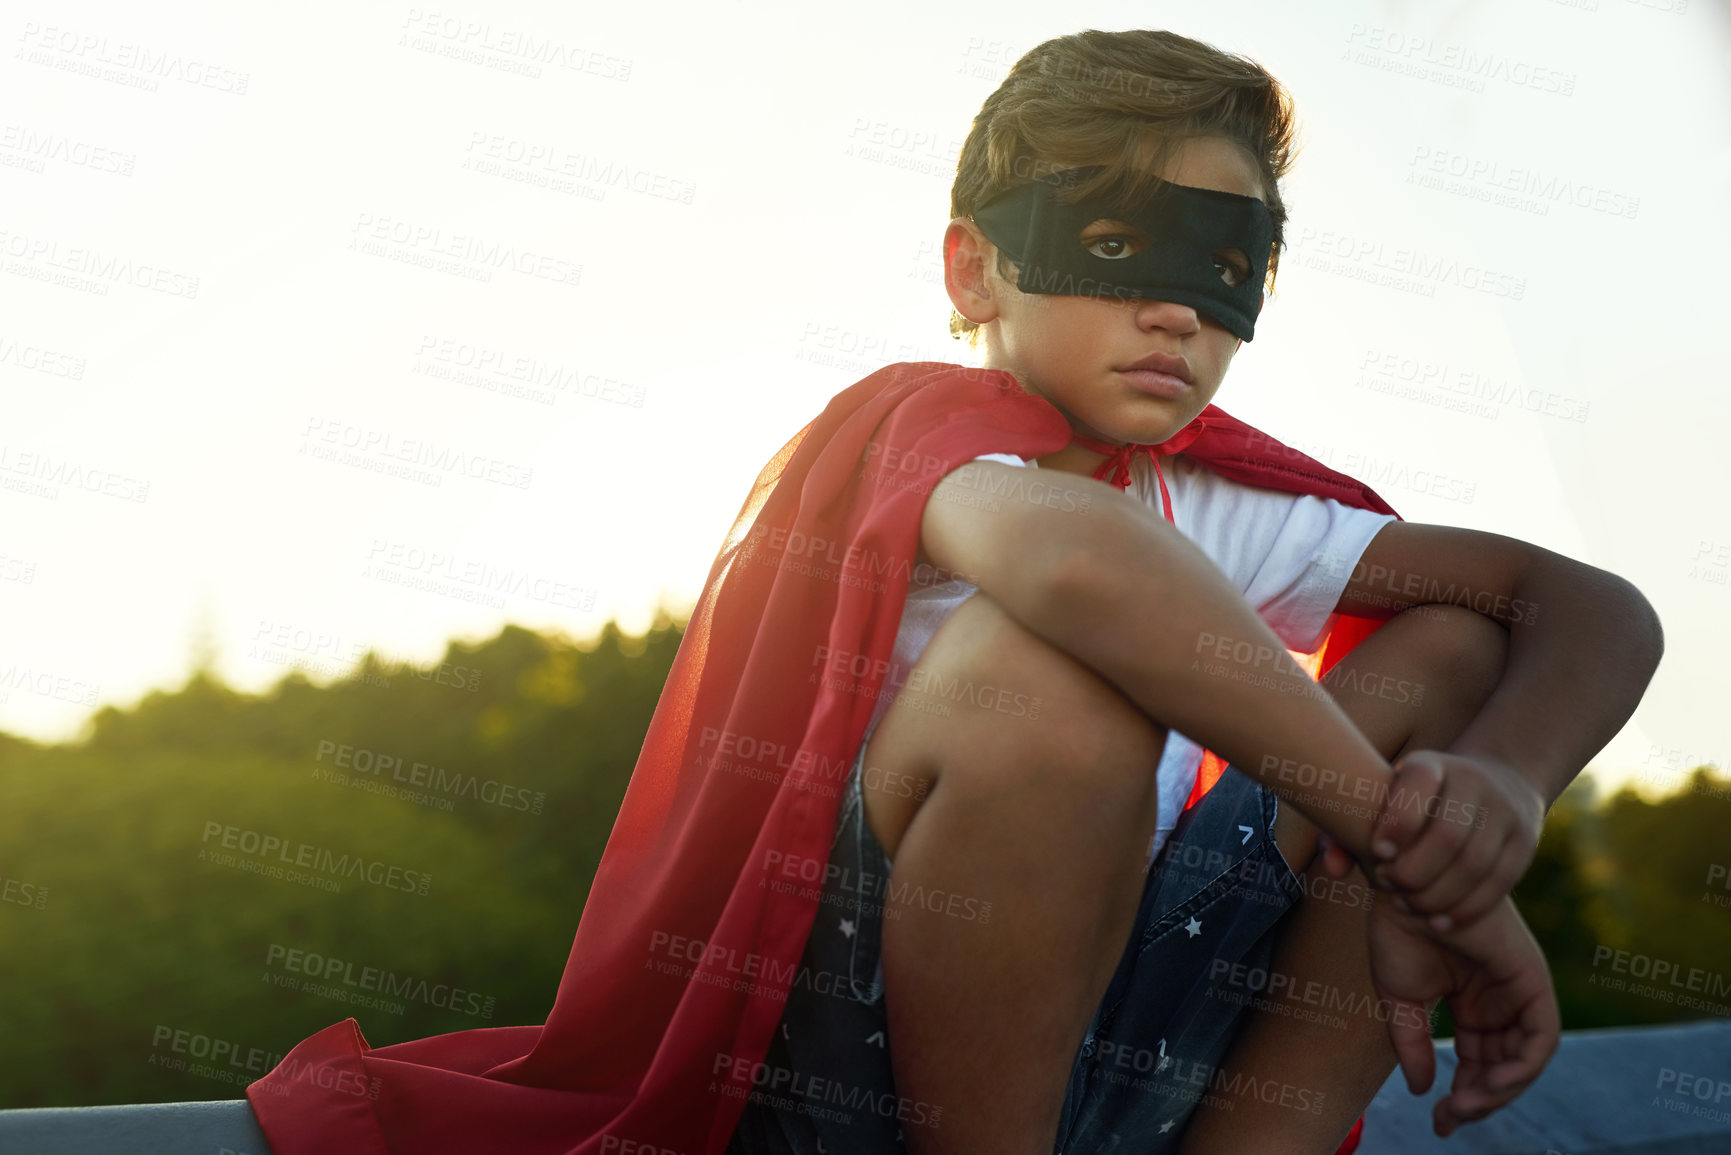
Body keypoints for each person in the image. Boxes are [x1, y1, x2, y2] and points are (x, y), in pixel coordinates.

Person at [243, 28, 1664, 1155]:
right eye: (1119, 249)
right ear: (972, 267)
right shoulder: (927, 440)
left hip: (1146, 1045)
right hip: (849, 1087)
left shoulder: (1225, 501)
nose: (1176, 308)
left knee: (1457, 654)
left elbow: (1587, 606)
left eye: (1228, 269)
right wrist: (1439, 877)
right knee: (1051, 679)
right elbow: (1072, 567)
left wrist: (1497, 798)